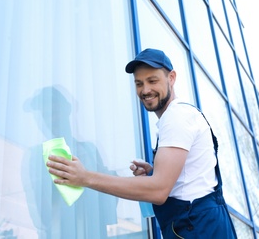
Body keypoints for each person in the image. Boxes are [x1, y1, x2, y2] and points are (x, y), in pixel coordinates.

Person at [46, 48, 237, 238]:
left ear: (171, 78)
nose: (145, 90)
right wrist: (154, 173)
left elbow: (159, 190)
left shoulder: (176, 117)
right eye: (139, 83)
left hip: (199, 229)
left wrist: (85, 177)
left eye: (152, 81)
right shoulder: (179, 117)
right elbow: (187, 181)